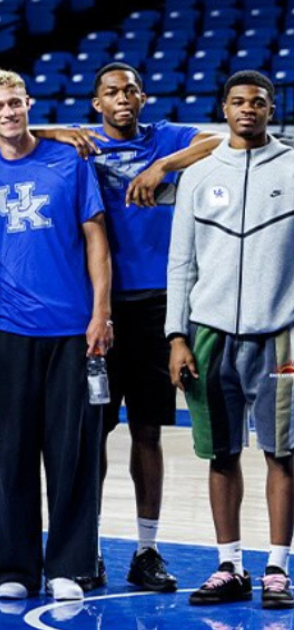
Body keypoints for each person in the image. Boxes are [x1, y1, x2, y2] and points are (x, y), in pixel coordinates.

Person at [0, 69, 112, 602]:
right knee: (14, 454)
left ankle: (69, 566)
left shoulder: (69, 164)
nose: (8, 112)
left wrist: (101, 314)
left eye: (15, 102)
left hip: (74, 330)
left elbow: (96, 241)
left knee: (73, 456)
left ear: (30, 104)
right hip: (8, 332)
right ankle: (15, 567)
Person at [78, 62, 220, 592]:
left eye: (131, 90)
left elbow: (217, 139)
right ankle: (86, 549)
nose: (123, 98)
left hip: (158, 308)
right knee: (92, 433)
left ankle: (146, 548)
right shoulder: (82, 143)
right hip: (97, 309)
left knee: (149, 432)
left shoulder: (168, 137)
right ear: (97, 103)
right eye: (112, 92)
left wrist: (164, 166)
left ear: (144, 98)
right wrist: (59, 132)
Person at [168, 70, 294, 611]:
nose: (248, 110)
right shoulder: (199, 172)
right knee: (221, 455)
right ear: (223, 108)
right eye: (238, 102)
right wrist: (176, 335)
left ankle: (276, 569)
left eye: (258, 102)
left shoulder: (292, 167)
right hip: (210, 336)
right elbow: (181, 262)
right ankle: (229, 565)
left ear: (271, 109)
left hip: (280, 337)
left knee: (282, 454)